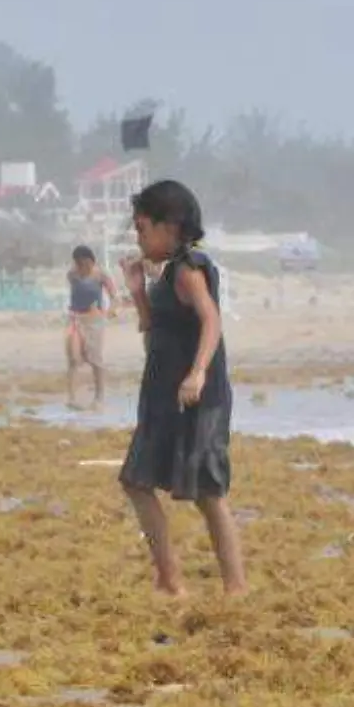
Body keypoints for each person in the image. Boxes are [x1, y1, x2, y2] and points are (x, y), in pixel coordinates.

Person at [116, 180, 247, 598]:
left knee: (208, 492)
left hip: (195, 398)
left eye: (142, 229)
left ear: (169, 226)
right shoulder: (168, 272)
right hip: (161, 394)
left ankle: (235, 587)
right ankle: (170, 579)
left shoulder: (189, 268)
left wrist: (198, 373)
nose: (138, 238)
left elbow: (211, 320)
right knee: (137, 481)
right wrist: (137, 292)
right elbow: (153, 331)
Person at [65, 245, 120, 409]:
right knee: (73, 357)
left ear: (92, 261)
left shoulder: (101, 275)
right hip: (75, 319)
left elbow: (115, 297)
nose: (83, 267)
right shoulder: (72, 275)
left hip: (94, 320)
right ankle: (72, 398)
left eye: (86, 263)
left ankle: (99, 397)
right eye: (79, 263)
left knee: (95, 359)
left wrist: (110, 311)